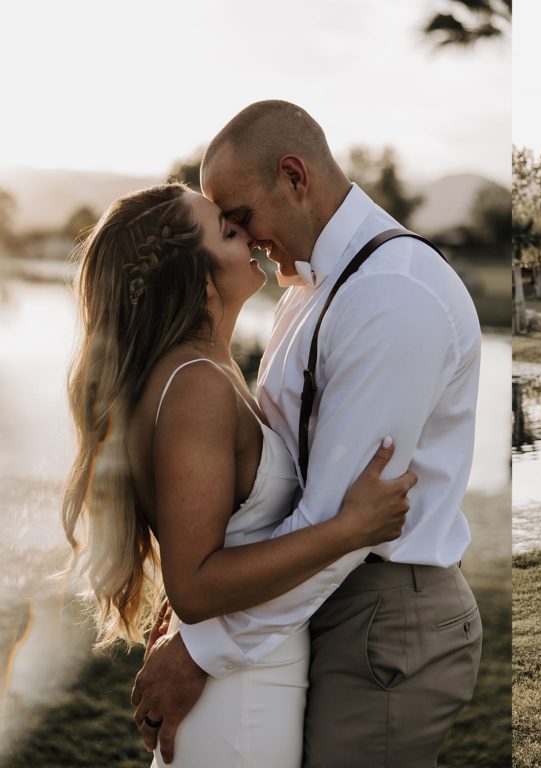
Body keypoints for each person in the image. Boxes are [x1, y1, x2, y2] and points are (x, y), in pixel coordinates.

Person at [129, 101, 483, 768]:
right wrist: (205, 610)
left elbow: (339, 523)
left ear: (294, 177)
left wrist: (201, 647)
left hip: (384, 613)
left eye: (240, 217)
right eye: (226, 229)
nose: (245, 238)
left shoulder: (391, 296)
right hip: (316, 606)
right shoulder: (309, 292)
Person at [62, 182, 416, 768]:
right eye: (228, 232)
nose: (250, 235)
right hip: (240, 703)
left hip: (252, 677)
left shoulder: (205, 370)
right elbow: (195, 587)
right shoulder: (195, 383)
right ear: (195, 276)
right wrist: (349, 528)